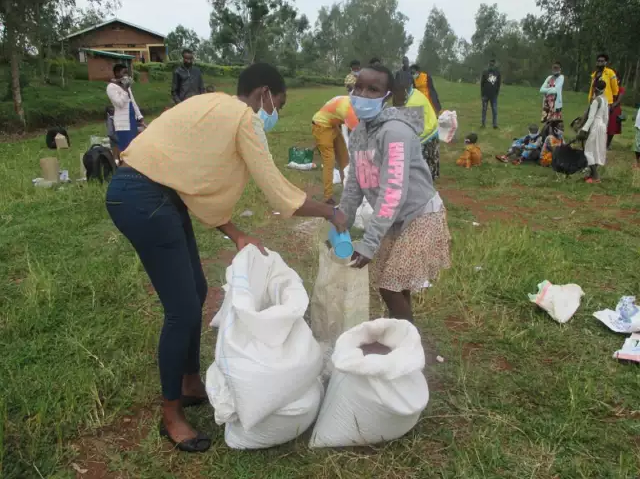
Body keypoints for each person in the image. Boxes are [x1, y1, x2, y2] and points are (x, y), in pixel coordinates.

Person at [105, 63, 348, 453]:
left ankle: (188, 381)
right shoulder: (243, 119)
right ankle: (171, 416)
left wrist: (236, 234)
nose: (275, 114)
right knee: (181, 310)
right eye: (278, 105)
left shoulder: (212, 104)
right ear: (263, 94)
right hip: (143, 197)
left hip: (146, 191)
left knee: (197, 290)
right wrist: (331, 212)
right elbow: (279, 192)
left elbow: (190, 183)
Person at [339, 64, 451, 321]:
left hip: (420, 216)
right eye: (359, 87)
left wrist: (369, 243)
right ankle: (402, 334)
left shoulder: (395, 132)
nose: (363, 95)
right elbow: (354, 186)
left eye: (373, 89)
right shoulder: (358, 135)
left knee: (389, 285)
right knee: (394, 282)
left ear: (386, 96)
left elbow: (392, 192)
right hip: (395, 218)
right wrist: (340, 223)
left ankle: (407, 348)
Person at [311, 96, 359, 203]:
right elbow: (360, 134)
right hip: (321, 126)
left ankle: (347, 190)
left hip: (332, 125)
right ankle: (328, 196)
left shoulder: (349, 100)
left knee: (344, 159)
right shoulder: (348, 111)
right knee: (329, 162)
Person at [392, 82, 440, 180]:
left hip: (426, 135)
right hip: (431, 128)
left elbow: (411, 129)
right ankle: (431, 176)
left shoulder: (412, 103)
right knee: (431, 159)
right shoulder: (414, 92)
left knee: (423, 163)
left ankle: (425, 180)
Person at [106, 64, 145, 152]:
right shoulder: (111, 87)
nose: (126, 76)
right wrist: (125, 90)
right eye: (124, 73)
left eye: (127, 73)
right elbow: (119, 103)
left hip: (132, 120)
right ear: (116, 73)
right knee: (125, 147)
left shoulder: (126, 86)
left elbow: (132, 101)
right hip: (122, 123)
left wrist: (139, 116)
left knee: (134, 145)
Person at [578, 79, 609, 183]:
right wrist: (604, 128)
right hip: (603, 126)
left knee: (588, 151)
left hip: (595, 125)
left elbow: (591, 118)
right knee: (597, 151)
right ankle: (591, 175)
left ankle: (596, 177)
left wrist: (583, 129)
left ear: (594, 88)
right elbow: (606, 117)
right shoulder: (605, 100)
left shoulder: (596, 101)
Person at [481, 59, 501, 129]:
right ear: (489, 63)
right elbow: (482, 83)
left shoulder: (497, 73)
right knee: (484, 110)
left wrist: (496, 93)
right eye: (491, 63)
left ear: (494, 64)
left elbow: (499, 84)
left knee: (494, 110)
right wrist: (482, 94)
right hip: (485, 95)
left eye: (493, 63)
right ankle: (483, 124)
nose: (492, 64)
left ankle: (495, 125)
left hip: (493, 95)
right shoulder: (485, 72)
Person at [606, 75, 625, 149]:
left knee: (612, 127)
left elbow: (618, 101)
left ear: (619, 80)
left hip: (615, 109)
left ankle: (608, 143)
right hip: (607, 106)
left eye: (616, 79)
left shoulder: (621, 89)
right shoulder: (609, 88)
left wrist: (611, 106)